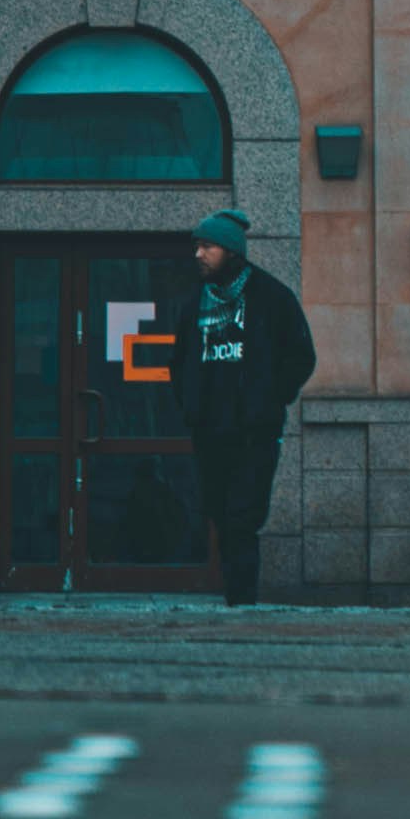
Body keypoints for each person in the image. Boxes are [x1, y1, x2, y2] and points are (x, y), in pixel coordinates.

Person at [164, 212, 316, 607]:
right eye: (196, 246)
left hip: (254, 431)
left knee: (243, 515)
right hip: (210, 430)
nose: (198, 254)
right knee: (218, 511)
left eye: (207, 247)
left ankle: (242, 599)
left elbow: (301, 356)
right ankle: (237, 595)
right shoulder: (195, 302)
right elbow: (177, 362)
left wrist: (270, 400)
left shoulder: (271, 297)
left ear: (231, 251)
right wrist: (190, 406)